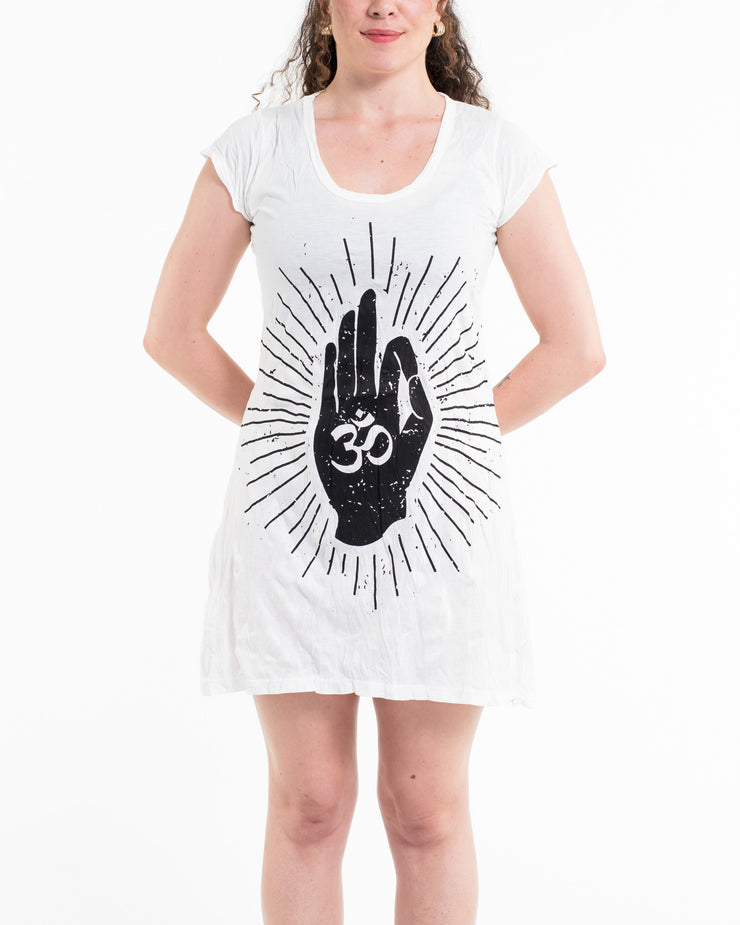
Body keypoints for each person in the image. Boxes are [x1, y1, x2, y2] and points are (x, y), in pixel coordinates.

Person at [143, 0, 605, 921]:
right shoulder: (255, 150)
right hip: (290, 542)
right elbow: (172, 332)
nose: (383, 5)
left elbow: (575, 346)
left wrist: (435, 446)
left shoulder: (496, 154)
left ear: (440, 12)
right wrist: (292, 430)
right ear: (325, 11)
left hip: (443, 549)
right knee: (309, 807)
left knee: (426, 813)